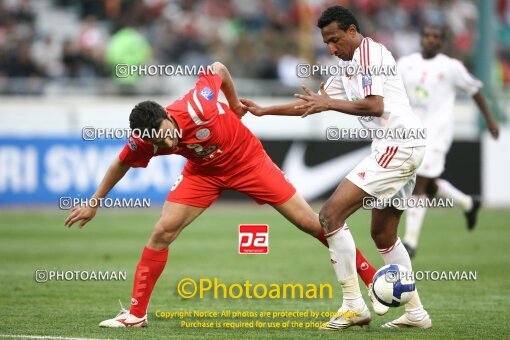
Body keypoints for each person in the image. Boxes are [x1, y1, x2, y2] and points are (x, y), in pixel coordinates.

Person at [64, 61, 387, 328]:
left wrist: (234, 104)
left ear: (167, 116)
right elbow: (120, 163)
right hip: (203, 172)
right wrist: (94, 202)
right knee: (162, 231)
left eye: (167, 136)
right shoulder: (146, 139)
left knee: (310, 222)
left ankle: (373, 280)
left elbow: (218, 68)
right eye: (159, 144)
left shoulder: (198, 104)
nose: (168, 146)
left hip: (248, 161)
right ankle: (136, 315)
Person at [241, 5, 431, 330]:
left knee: (329, 215)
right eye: (326, 42)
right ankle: (415, 313)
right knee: (382, 233)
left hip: (398, 144)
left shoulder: (371, 53)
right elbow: (312, 103)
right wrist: (264, 111)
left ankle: (353, 306)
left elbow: (375, 105)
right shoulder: (347, 68)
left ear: (352, 32)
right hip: (399, 146)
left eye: (334, 40)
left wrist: (326, 103)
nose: (330, 48)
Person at [398, 25, 500, 258]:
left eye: (436, 37)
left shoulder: (451, 67)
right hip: (411, 131)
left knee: (419, 182)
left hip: (437, 133)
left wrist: (490, 120)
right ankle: (467, 203)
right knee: (430, 184)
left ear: (442, 43)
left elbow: (474, 90)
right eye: (427, 35)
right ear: (421, 39)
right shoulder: (405, 64)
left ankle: (410, 241)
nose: (431, 40)